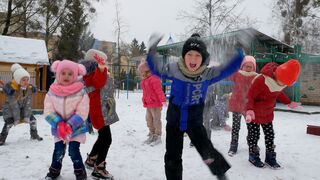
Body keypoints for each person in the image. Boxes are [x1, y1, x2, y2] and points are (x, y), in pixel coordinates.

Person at [146, 33, 244, 180]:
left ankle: (220, 173)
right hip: (174, 120)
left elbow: (227, 69)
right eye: (189, 54)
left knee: (207, 150)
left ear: (203, 58)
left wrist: (240, 52)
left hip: (194, 121)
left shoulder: (207, 74)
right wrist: (152, 51)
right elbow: (156, 69)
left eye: (197, 55)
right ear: (184, 56)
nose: (193, 59)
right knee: (172, 155)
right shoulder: (174, 69)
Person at [245, 59, 301, 169]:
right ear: (278, 75)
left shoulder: (278, 82)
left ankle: (270, 157)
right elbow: (250, 95)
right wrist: (249, 110)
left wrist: (288, 102)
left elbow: (278, 93)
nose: (284, 85)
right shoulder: (262, 80)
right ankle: (253, 155)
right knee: (254, 136)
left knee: (270, 136)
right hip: (253, 114)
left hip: (267, 113)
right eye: (284, 82)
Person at [44, 60, 89, 180]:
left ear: (75, 75)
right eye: (63, 73)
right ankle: (54, 171)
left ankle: (80, 173)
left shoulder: (81, 92)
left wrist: (70, 125)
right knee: (58, 150)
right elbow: (48, 110)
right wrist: (58, 123)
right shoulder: (52, 92)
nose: (66, 76)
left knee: (73, 151)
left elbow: (83, 111)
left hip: (76, 128)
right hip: (59, 128)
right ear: (58, 73)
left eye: (70, 74)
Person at [80, 49, 117, 180]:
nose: (104, 63)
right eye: (102, 61)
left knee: (103, 137)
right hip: (99, 111)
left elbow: (104, 87)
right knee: (107, 139)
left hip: (102, 109)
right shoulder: (93, 73)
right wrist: (102, 70)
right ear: (96, 62)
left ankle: (91, 159)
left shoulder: (94, 72)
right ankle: (99, 168)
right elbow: (99, 83)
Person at [0, 64, 43, 146]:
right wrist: (17, 119)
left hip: (22, 109)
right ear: (17, 80)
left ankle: (34, 135)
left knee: (33, 120)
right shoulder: (12, 91)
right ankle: (2, 138)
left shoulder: (28, 89)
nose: (26, 82)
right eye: (23, 80)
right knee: (9, 123)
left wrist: (26, 116)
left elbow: (28, 103)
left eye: (27, 79)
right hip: (10, 111)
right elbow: (14, 105)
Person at [227, 55, 258, 156]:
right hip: (237, 104)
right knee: (236, 126)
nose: (248, 68)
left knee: (251, 127)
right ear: (242, 66)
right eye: (246, 66)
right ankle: (233, 144)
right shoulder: (237, 74)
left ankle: (251, 143)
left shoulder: (256, 77)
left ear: (254, 67)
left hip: (249, 107)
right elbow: (228, 74)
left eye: (251, 66)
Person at [138, 60, 166, 146]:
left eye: (142, 71)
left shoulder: (154, 79)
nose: (141, 74)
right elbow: (145, 93)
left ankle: (157, 136)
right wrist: (144, 100)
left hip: (156, 104)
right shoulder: (144, 80)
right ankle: (151, 134)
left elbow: (159, 91)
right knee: (149, 119)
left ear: (147, 71)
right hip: (149, 104)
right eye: (140, 72)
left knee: (156, 120)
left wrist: (163, 100)